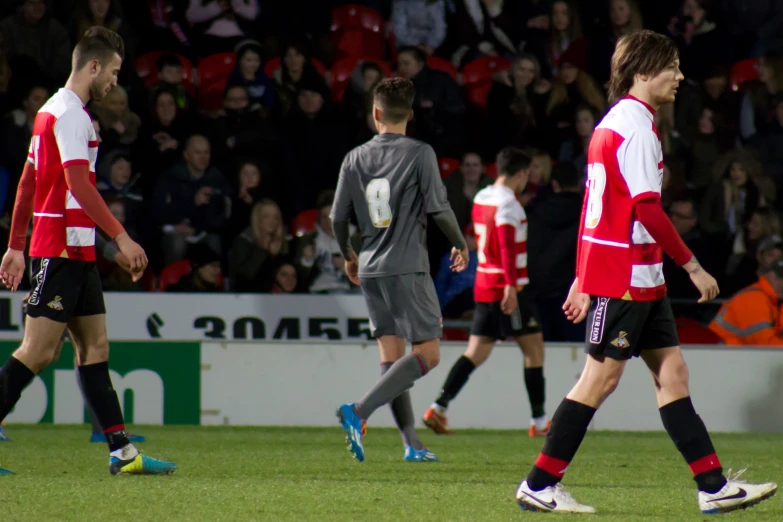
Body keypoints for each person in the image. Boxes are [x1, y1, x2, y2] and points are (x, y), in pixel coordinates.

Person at [514, 30, 777, 514]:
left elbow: (599, 208)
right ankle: (540, 483)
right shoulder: (634, 127)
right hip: (626, 278)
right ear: (641, 73)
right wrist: (693, 266)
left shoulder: (618, 123)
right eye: (670, 67)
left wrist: (581, 275)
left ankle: (713, 486)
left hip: (640, 277)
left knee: (673, 374)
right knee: (599, 381)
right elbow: (647, 210)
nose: (679, 76)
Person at [0, 27, 176, 476]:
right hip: (58, 250)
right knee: (37, 352)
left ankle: (122, 453)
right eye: (114, 72)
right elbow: (78, 184)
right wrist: (121, 237)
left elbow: (28, 184)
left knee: (95, 349)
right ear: (93, 66)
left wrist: (15, 245)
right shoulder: (72, 116)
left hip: (76, 251)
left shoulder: (50, 111)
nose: (115, 82)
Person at [331, 77, 469, 463]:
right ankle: (357, 411)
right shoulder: (420, 152)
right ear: (410, 114)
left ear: (375, 113)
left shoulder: (354, 158)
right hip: (406, 265)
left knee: (393, 358)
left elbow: (337, 216)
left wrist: (348, 255)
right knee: (429, 353)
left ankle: (412, 443)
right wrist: (460, 242)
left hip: (371, 268)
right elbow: (439, 207)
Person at [422, 148, 550, 437]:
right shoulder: (510, 205)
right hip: (509, 288)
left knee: (476, 352)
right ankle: (539, 422)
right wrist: (511, 286)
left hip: (483, 283)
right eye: (526, 174)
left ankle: (438, 407)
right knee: (534, 350)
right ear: (520, 173)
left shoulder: (481, 196)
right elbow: (505, 244)